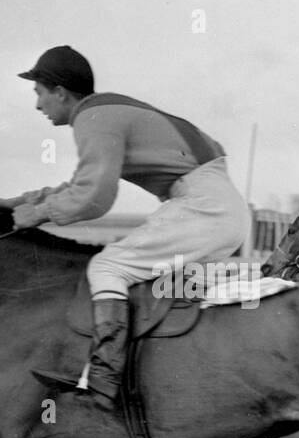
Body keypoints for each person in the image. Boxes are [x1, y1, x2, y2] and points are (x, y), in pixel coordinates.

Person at [4, 46, 250, 411]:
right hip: (218, 205)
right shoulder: (107, 111)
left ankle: (104, 379)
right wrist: (16, 204)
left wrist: (34, 216)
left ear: (60, 91)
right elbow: (78, 185)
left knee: (107, 267)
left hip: (203, 208)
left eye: (39, 93)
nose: (38, 105)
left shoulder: (93, 119)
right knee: (145, 282)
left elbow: (93, 198)